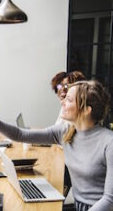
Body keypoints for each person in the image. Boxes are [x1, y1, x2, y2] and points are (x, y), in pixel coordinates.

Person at [0, 80, 113, 211]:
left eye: (68, 100)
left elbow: (109, 200)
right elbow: (20, 135)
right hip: (77, 205)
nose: (62, 103)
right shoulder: (65, 131)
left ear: (86, 110)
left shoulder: (109, 143)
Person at [51, 70, 85, 199]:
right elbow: (57, 132)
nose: (62, 91)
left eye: (67, 87)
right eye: (59, 87)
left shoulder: (76, 115)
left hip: (71, 173)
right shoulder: (64, 108)